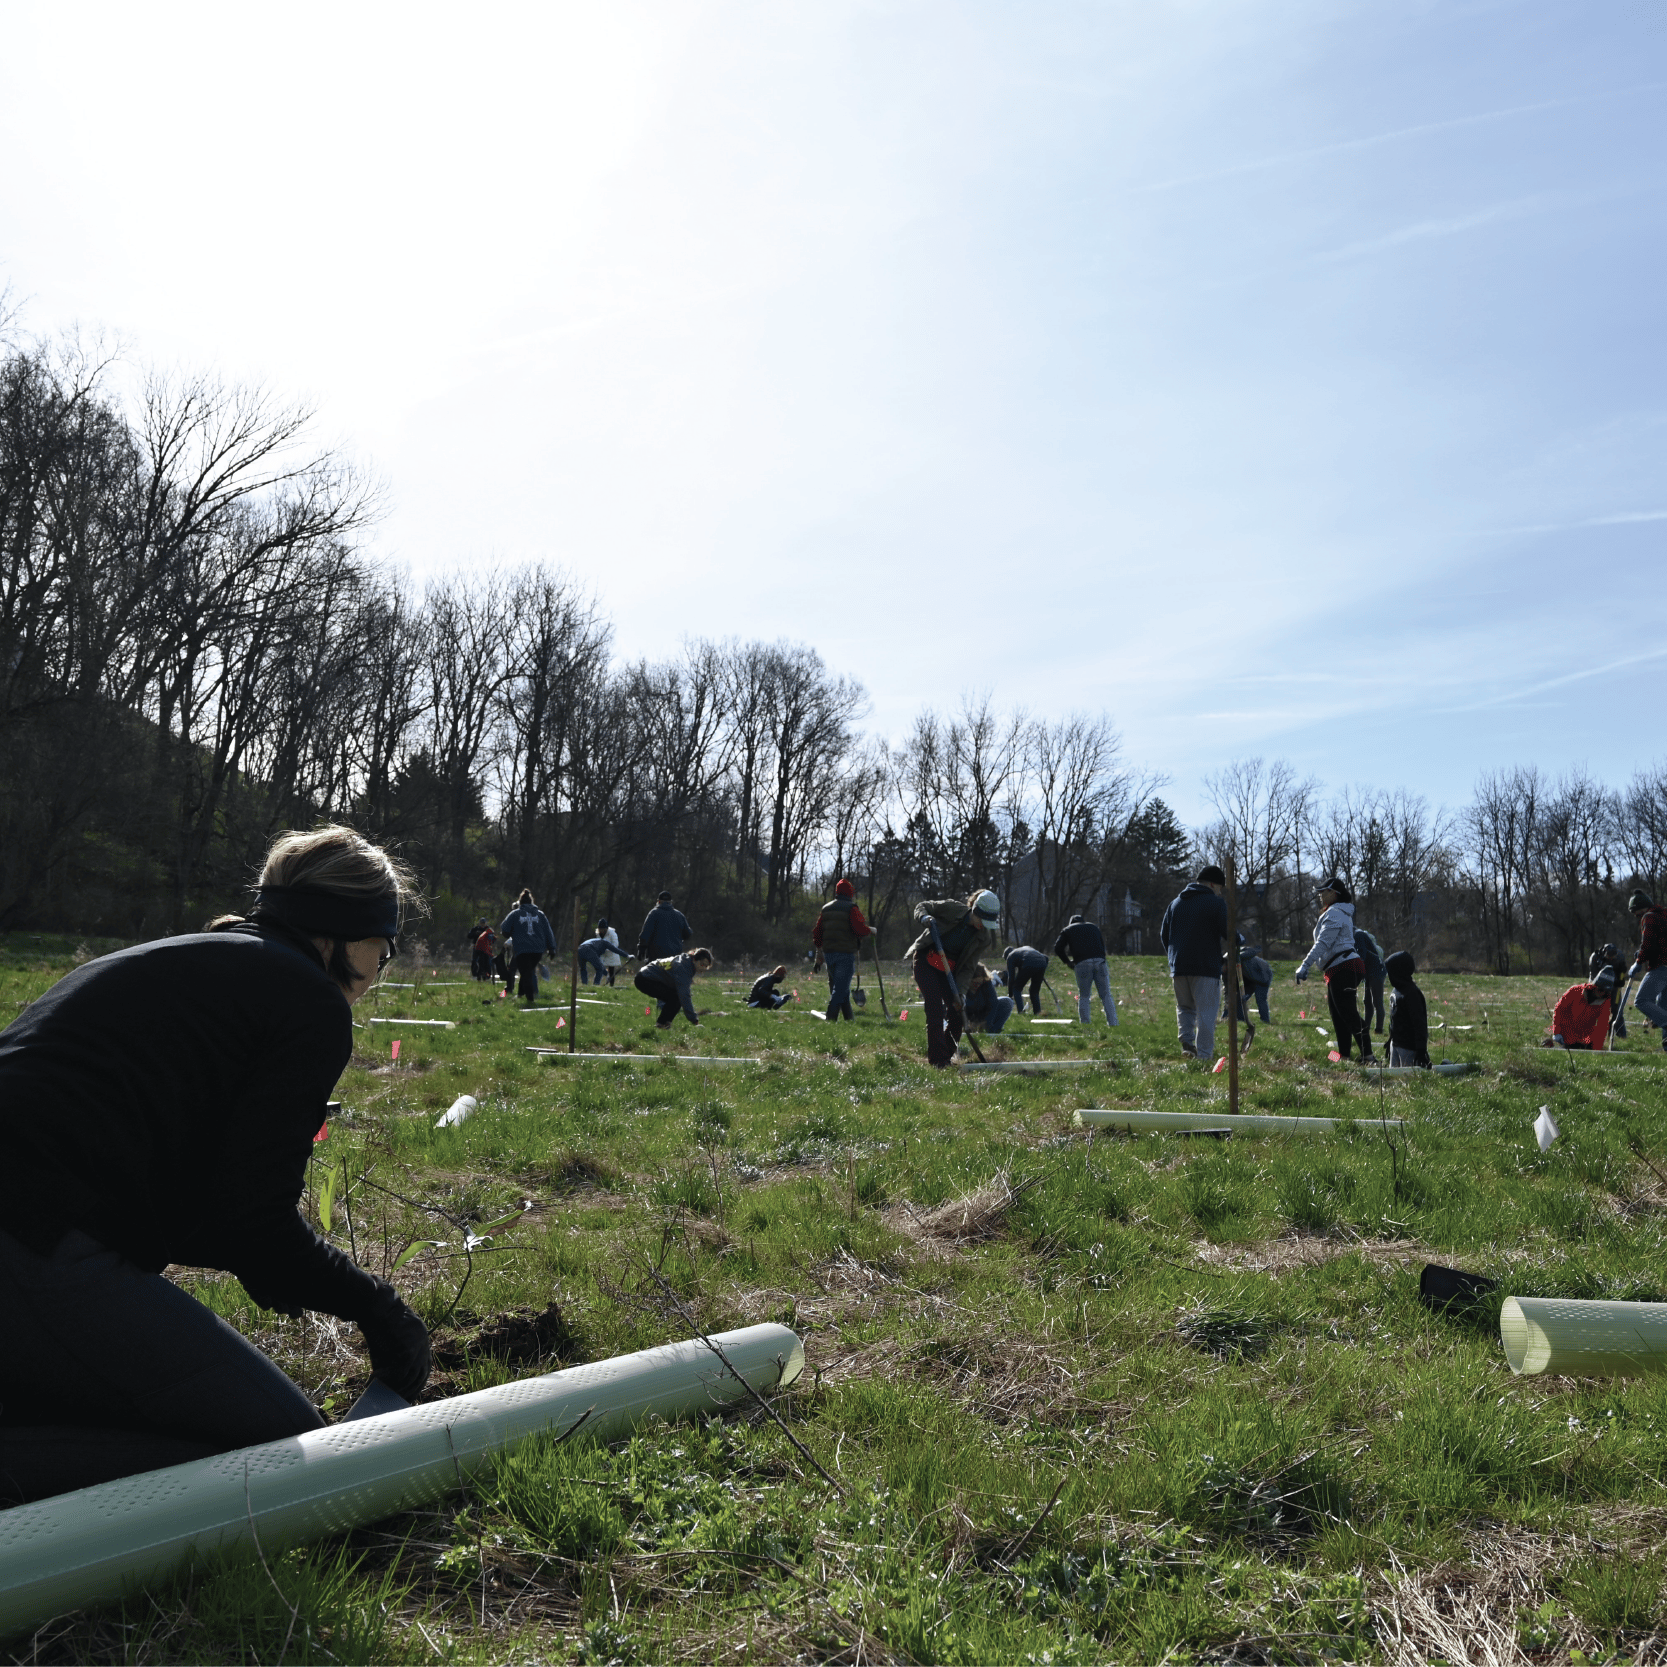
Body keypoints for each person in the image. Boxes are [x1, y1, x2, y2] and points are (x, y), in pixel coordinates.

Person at [0, 825, 432, 1506]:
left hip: (32, 1227)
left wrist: (264, 1261)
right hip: (30, 1240)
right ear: (348, 933)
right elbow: (250, 1220)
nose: (381, 968)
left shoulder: (194, 958)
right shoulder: (308, 1000)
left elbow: (202, 1203)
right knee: (279, 1455)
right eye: (387, 946)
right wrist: (379, 1310)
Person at [907, 890, 1003, 1067]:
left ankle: (946, 1056)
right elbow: (923, 906)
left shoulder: (983, 938)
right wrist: (924, 918)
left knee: (957, 1013)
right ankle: (938, 1061)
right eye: (982, 921)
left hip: (948, 971)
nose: (983, 926)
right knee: (935, 1008)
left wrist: (961, 994)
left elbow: (968, 968)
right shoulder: (953, 909)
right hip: (926, 960)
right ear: (975, 912)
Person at [1295, 877, 1374, 1062]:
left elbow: (1323, 943)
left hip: (1344, 967)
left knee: (1348, 1013)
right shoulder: (1336, 912)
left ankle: (1368, 1056)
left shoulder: (1335, 913)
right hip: (1338, 968)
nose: (1320, 895)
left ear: (1333, 893)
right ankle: (1344, 1057)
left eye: (1323, 892)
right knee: (1338, 1016)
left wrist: (1305, 965)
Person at [1158, 866, 1228, 1061]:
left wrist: (1174, 956)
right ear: (1212, 884)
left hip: (1179, 966)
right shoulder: (1215, 903)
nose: (1220, 891)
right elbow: (1227, 931)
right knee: (1206, 1013)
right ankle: (1204, 1057)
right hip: (1205, 966)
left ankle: (1187, 1044)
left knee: (1185, 1007)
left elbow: (1164, 934)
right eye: (1220, 887)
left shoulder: (1176, 903)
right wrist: (1239, 938)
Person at [812, 878, 873, 1022]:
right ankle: (830, 1019)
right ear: (850, 892)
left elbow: (817, 933)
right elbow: (859, 929)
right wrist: (869, 930)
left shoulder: (826, 909)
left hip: (829, 955)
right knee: (839, 990)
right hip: (845, 954)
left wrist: (820, 954)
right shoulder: (851, 908)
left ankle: (849, 1019)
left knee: (842, 988)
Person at [1052, 913, 1118, 1027]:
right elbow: (1102, 945)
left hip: (1082, 963)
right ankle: (1113, 1024)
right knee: (1106, 994)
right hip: (1100, 961)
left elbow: (1057, 948)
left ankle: (1086, 1025)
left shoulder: (1068, 930)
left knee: (1084, 996)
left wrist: (1067, 961)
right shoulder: (1093, 927)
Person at [499, 889, 557, 1003]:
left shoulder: (515, 913)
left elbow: (504, 928)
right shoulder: (540, 914)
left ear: (520, 902)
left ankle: (530, 1000)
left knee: (526, 973)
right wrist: (552, 948)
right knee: (527, 971)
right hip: (537, 950)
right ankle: (521, 995)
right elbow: (548, 932)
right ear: (532, 902)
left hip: (522, 949)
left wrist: (509, 933)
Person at [1626, 891, 1667, 1049]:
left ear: (1640, 909)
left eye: (1635, 913)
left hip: (1661, 967)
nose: (1636, 917)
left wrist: (1638, 961)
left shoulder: (1648, 917)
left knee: (1641, 1001)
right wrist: (1642, 952)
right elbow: (1658, 942)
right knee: (1663, 1007)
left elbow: (1648, 944)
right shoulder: (1664, 914)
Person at [635, 947, 714, 1028]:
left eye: (706, 966)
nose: (703, 968)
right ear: (694, 960)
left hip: (646, 976)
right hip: (644, 979)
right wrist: (694, 1019)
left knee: (676, 997)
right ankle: (662, 1024)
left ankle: (664, 1024)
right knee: (676, 997)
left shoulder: (686, 962)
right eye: (702, 964)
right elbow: (684, 996)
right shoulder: (684, 967)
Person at [1547, 967, 1618, 1050]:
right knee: (1551, 1044)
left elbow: (1602, 1027)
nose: (1602, 994)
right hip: (1563, 1034)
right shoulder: (1575, 991)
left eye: (1606, 991)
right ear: (1594, 985)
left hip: (1582, 1039)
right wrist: (1557, 1032)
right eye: (1601, 989)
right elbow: (1559, 1010)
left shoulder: (1605, 1002)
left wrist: (1596, 1050)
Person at [1384, 950, 1430, 1067]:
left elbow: (1420, 1024)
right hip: (1395, 1044)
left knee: (1406, 1077)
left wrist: (1421, 1051)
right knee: (1394, 1077)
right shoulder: (1396, 990)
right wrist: (1391, 1039)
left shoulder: (1411, 994)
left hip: (1408, 1048)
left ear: (1399, 972)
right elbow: (1395, 1018)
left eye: (1391, 972)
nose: (1389, 976)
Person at [637, 891, 693, 962]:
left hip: (656, 955)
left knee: (654, 972)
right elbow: (688, 934)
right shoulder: (679, 915)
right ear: (671, 902)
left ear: (658, 901)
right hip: (675, 955)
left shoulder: (653, 913)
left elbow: (645, 934)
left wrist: (641, 950)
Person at [1590, 942, 1627, 1039]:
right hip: (1597, 985)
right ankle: (1593, 1033)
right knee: (1596, 1008)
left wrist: (1621, 978)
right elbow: (1594, 977)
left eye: (1613, 956)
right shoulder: (1595, 958)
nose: (1611, 958)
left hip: (1615, 986)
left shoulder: (1620, 957)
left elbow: (1622, 973)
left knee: (1617, 1010)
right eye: (1608, 956)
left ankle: (1620, 1034)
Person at [963, 964, 1013, 1033]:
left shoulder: (986, 983)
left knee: (1007, 1002)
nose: (977, 986)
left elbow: (993, 1003)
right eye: (975, 983)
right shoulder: (961, 987)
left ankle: (993, 1032)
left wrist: (986, 1022)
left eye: (979, 983)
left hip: (983, 1015)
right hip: (967, 1017)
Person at [1355, 927, 1387, 1035]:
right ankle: (1366, 1027)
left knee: (1377, 1001)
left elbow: (1362, 958)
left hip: (1377, 974)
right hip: (1369, 974)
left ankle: (1379, 1029)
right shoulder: (1363, 944)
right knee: (1367, 1001)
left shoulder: (1374, 948)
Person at [1004, 945, 1050, 1015]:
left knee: (1016, 988)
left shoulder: (1010, 956)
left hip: (1029, 962)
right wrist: (1041, 968)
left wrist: (1010, 994)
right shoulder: (1023, 950)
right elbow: (1046, 957)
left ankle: (1021, 1012)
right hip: (1042, 961)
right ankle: (1037, 1012)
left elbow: (1011, 978)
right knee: (1034, 991)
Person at [597, 916, 622, 986]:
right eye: (600, 929)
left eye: (602, 928)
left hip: (612, 955)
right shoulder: (598, 934)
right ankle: (597, 984)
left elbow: (615, 944)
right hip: (603, 955)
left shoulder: (612, 934)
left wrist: (606, 948)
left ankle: (611, 985)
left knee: (611, 970)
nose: (601, 930)